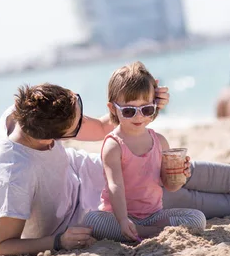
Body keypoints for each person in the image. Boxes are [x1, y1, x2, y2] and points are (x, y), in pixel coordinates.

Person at [0, 70, 230, 256]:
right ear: (52, 138)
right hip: (94, 212)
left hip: (92, 173)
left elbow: (106, 127)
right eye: (77, 123)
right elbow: (2, 246)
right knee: (194, 202)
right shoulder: (15, 175)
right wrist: (58, 242)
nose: (84, 121)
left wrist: (142, 106)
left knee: (185, 170)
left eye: (78, 104)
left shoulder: (29, 110)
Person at [84, 62, 206, 241]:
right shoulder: (114, 144)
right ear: (113, 109)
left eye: (146, 109)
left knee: (197, 218)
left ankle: (144, 231)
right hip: (118, 216)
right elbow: (114, 186)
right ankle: (146, 231)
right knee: (93, 221)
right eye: (129, 111)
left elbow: (170, 186)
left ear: (155, 106)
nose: (139, 116)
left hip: (153, 216)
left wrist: (180, 175)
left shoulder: (160, 141)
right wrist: (123, 219)